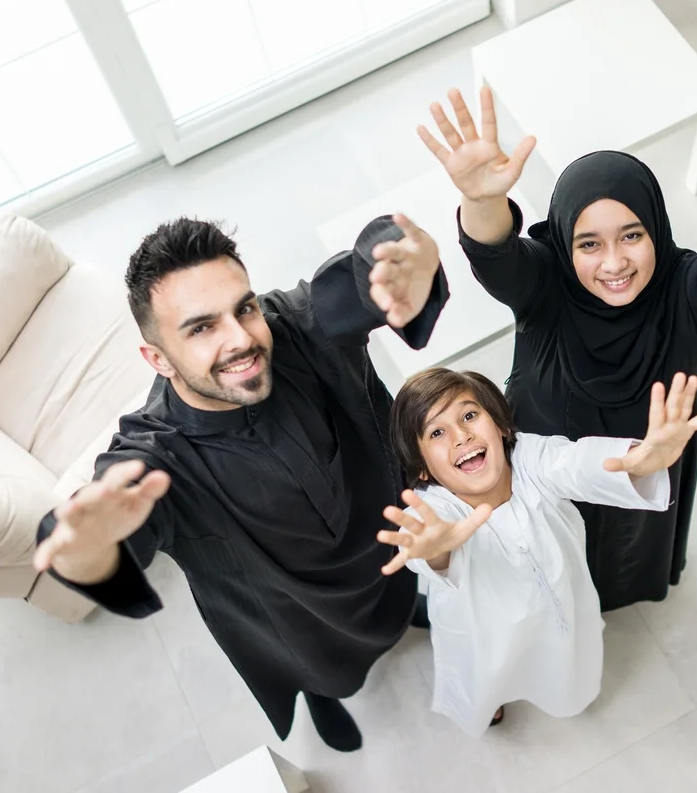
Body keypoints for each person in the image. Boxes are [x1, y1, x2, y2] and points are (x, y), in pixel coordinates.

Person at [32, 212, 450, 752]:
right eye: (201, 327)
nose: (241, 339)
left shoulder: (293, 326)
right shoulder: (156, 455)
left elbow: (358, 278)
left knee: (395, 596)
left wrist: (396, 257)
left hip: (383, 548)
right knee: (321, 669)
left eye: (244, 309)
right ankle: (323, 696)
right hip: (292, 616)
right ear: (157, 358)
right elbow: (108, 527)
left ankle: (399, 615)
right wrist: (86, 551)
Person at [417, 67, 697, 610]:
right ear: (564, 244)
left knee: (623, 552)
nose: (614, 264)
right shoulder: (545, 283)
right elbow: (496, 257)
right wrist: (481, 199)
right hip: (547, 469)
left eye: (631, 236)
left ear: (655, 227)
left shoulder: (685, 288)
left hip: (645, 464)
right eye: (589, 244)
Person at [379, 369, 697, 735]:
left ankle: (562, 689)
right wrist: (435, 549)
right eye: (437, 432)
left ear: (502, 427)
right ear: (423, 469)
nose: (461, 436)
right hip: (484, 630)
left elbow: (578, 463)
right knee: (487, 674)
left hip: (560, 605)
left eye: (469, 415)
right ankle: (490, 702)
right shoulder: (437, 512)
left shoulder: (532, 459)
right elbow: (427, 536)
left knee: (560, 658)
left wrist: (640, 461)